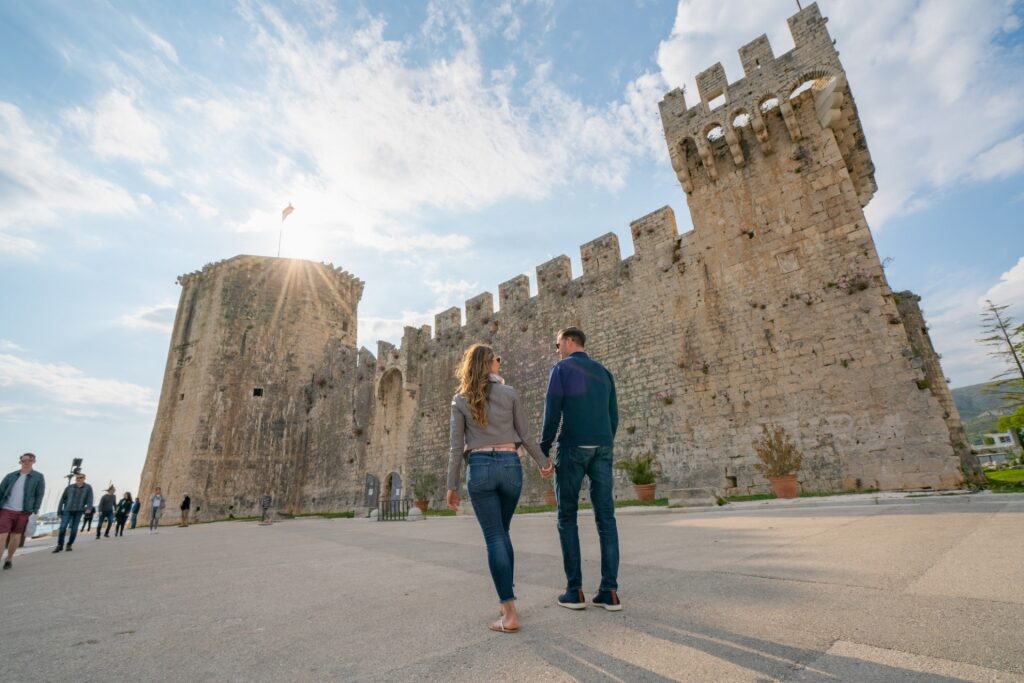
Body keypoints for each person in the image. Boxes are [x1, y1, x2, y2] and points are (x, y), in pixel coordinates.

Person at [446, 344, 553, 633]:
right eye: (497, 359)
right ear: (488, 364)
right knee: (502, 534)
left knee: (495, 537)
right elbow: (526, 435)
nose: (500, 362)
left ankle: (509, 611)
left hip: (480, 468)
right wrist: (544, 463)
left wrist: (451, 486)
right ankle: (507, 599)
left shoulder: (460, 400)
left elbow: (456, 448)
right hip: (510, 467)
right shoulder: (510, 393)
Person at [540, 327, 622, 611]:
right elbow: (614, 415)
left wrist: (543, 450)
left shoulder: (561, 369)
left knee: (567, 517)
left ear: (568, 341)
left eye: (557, 343)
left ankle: (575, 591)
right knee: (606, 518)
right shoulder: (604, 372)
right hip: (602, 447)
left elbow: (553, 411)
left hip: (572, 447)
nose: (556, 348)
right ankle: (610, 592)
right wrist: (605, 440)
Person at [0, 453, 45, 570]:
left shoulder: (38, 477)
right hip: (6, 509)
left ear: (34, 461)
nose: (26, 462)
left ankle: (9, 558)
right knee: (1, 536)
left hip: (24, 511)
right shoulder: (10, 476)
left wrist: (35, 510)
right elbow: (1, 491)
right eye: (24, 460)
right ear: (20, 462)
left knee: (15, 537)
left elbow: (39, 495)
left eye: (29, 460)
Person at [54, 472, 93, 553]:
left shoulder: (88, 487)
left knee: (74, 529)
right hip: (67, 510)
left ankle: (69, 544)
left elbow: (90, 499)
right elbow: (62, 499)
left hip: (79, 511)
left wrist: (89, 508)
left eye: (81, 477)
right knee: (62, 527)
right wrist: (59, 512)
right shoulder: (69, 488)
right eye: (77, 478)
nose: (79, 479)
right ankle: (60, 545)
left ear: (84, 478)